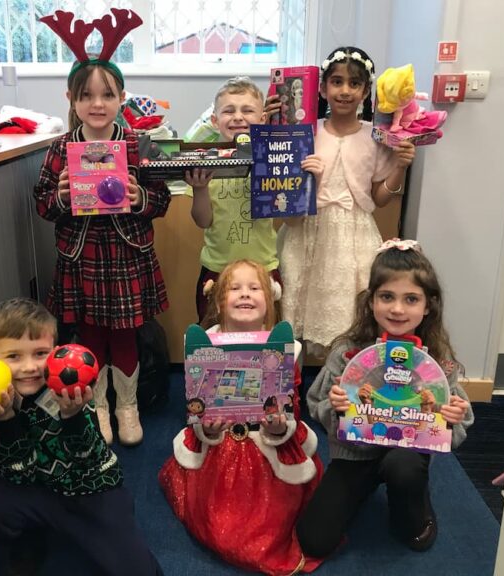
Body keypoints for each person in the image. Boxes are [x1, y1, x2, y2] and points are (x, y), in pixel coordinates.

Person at [34, 9, 170, 446]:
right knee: (90, 334)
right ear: (71, 100)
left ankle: (126, 407)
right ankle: (98, 407)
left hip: (128, 254)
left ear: (121, 98)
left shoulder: (136, 144)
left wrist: (139, 198)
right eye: (86, 95)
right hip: (83, 257)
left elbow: (162, 199)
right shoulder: (61, 148)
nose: (97, 103)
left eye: (107, 94)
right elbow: (39, 203)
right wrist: (61, 196)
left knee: (126, 335)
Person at [296, 240, 474, 557]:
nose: (397, 309)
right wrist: (336, 407)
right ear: (371, 301)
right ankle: (367, 486)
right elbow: (317, 405)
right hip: (355, 455)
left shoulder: (437, 361)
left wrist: (451, 417)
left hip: (405, 455)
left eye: (411, 299)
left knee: (406, 490)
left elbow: (450, 432)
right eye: (387, 297)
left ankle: (412, 500)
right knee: (314, 540)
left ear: (428, 305)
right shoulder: (348, 353)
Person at [0, 297, 163, 576]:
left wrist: (73, 416)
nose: (30, 367)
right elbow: (16, 474)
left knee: (137, 570)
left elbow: (89, 459)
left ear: (56, 353)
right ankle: (33, 535)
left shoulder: (72, 389)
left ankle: (99, 528)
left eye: (40, 353)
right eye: (13, 356)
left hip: (89, 492)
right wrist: (6, 422)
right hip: (37, 492)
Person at [159, 260, 324, 576]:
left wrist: (279, 427)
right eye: (235, 288)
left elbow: (293, 405)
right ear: (220, 302)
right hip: (222, 444)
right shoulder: (203, 344)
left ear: (269, 301)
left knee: (275, 518)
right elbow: (195, 404)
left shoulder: (285, 347)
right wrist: (206, 427)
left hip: (267, 443)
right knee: (220, 522)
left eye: (254, 287)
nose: (245, 294)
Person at [278, 46, 416, 356]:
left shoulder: (375, 137)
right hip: (306, 230)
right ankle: (293, 393)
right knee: (297, 311)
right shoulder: (305, 132)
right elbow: (284, 184)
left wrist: (399, 167)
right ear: (323, 88)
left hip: (354, 235)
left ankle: (344, 387)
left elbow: (379, 198)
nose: (345, 90)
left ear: (366, 90)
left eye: (354, 84)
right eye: (336, 82)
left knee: (350, 313)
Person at [184, 77, 281, 322]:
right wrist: (200, 188)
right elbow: (202, 220)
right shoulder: (206, 160)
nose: (238, 117)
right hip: (217, 269)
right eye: (229, 111)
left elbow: (289, 216)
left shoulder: (273, 159)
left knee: (265, 338)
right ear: (215, 121)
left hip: (263, 269)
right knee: (212, 335)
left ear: (262, 119)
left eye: (247, 110)